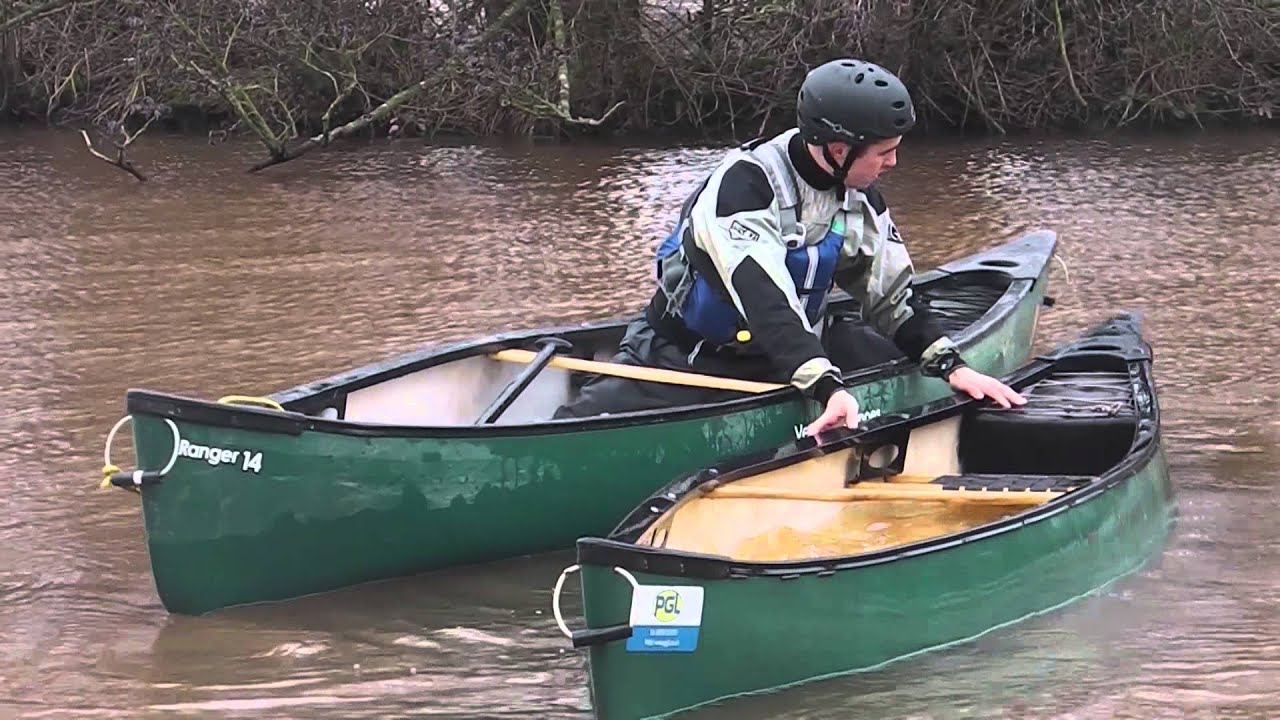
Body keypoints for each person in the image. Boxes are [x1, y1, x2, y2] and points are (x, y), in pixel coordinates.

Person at [553, 58, 1026, 435]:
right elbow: (767, 302)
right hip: (687, 358)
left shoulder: (859, 197)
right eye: (884, 152)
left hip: (795, 351)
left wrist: (949, 365)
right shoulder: (744, 188)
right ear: (840, 150)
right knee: (579, 426)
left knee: (906, 366)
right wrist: (827, 387)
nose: (894, 162)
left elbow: (892, 299)